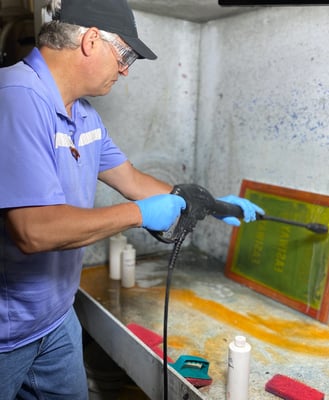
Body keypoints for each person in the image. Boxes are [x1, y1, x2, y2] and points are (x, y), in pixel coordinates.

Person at [0, 0, 264, 399]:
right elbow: (33, 230)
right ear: (90, 40)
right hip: (6, 333)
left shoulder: (84, 116)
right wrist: (137, 215)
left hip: (54, 321)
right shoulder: (15, 98)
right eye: (125, 55)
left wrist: (206, 203)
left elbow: (132, 180)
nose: (125, 69)